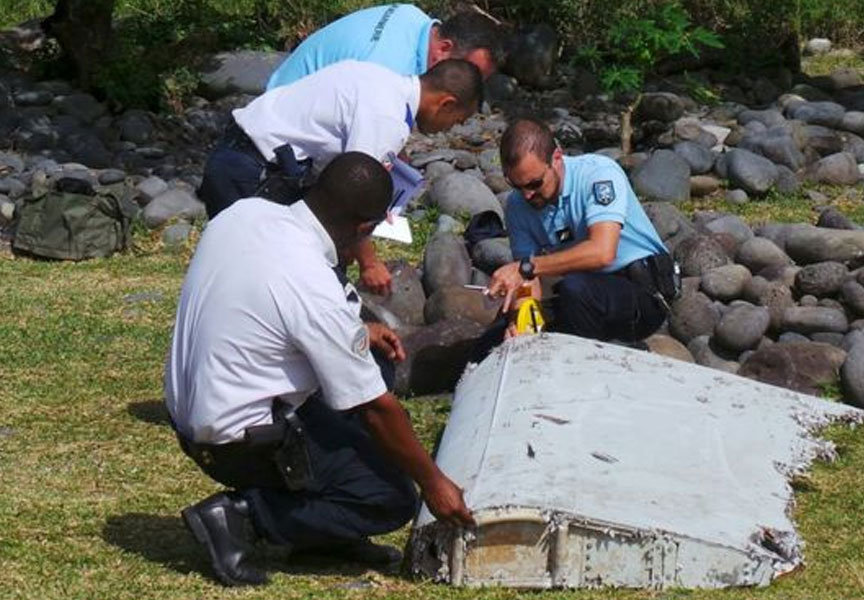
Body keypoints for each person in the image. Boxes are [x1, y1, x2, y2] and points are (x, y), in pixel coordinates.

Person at [166, 152, 474, 587]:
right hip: (236, 440)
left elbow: (267, 309)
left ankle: (324, 534)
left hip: (192, 410)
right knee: (387, 497)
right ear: (364, 228)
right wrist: (434, 482)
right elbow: (377, 410)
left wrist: (361, 331)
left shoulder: (245, 213)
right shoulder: (310, 281)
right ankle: (241, 516)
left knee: (375, 368)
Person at [197, 58, 483, 295]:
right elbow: (354, 196)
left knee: (240, 268)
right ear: (446, 103)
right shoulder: (388, 119)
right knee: (259, 278)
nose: (448, 129)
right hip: (254, 170)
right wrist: (369, 263)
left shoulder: (378, 76)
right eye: (455, 121)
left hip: (236, 151)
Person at [484, 118, 674, 346]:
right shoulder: (518, 205)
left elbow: (602, 252)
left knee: (575, 290)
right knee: (496, 337)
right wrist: (522, 323)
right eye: (517, 186)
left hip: (641, 293)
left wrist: (526, 267)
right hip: (585, 293)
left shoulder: (598, 174)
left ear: (556, 159)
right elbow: (527, 283)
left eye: (534, 184)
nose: (527, 195)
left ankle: (598, 361)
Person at [266, 4, 501, 90]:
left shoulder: (412, 16)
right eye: (472, 74)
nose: (471, 88)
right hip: (280, 127)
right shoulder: (389, 70)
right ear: (443, 49)